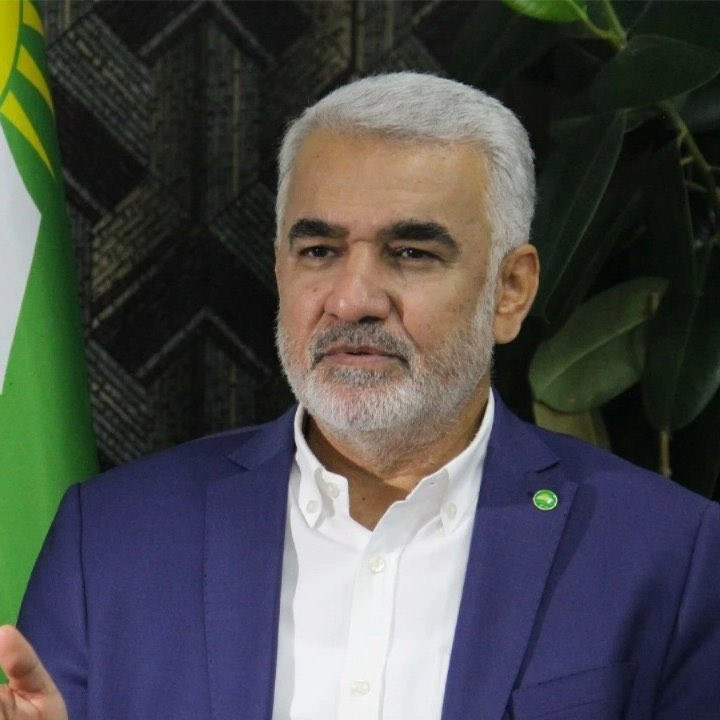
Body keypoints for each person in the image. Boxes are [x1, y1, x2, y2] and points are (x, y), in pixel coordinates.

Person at [1, 72, 718, 720]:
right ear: (281, 269)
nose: (351, 300)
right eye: (319, 251)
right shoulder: (114, 538)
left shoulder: (667, 552)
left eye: (411, 253)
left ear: (510, 290)